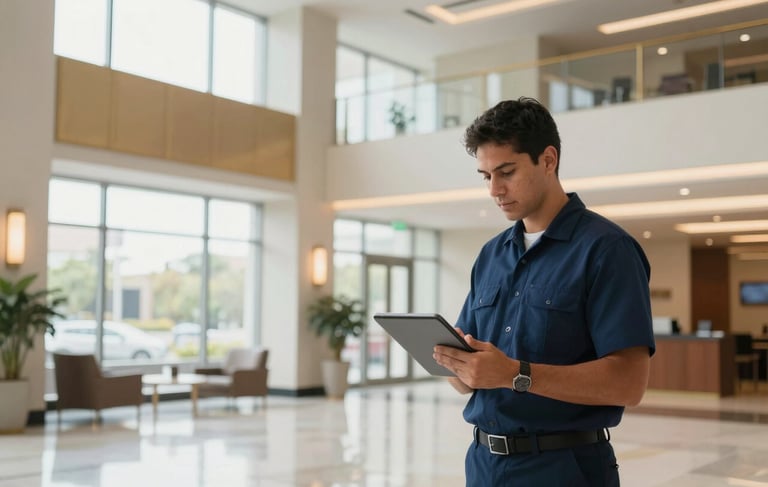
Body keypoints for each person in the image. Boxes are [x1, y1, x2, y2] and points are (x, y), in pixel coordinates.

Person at [433, 97, 655, 486]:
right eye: (485, 176)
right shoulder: (491, 254)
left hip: (563, 469)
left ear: (548, 160)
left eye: (506, 172)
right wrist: (456, 365)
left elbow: (629, 383)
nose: (494, 190)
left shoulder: (606, 250)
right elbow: (469, 377)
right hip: (483, 465)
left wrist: (515, 374)